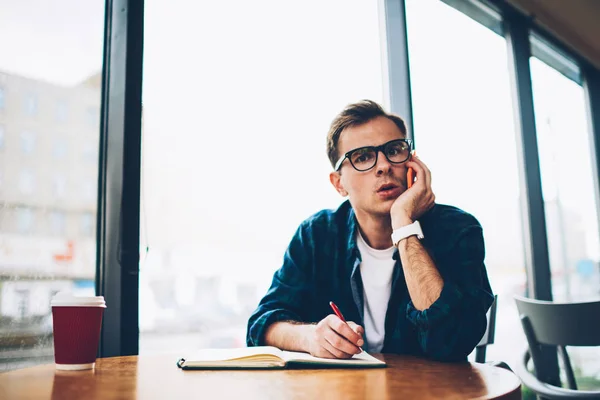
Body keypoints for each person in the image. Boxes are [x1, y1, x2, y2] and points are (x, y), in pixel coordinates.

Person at [246, 100, 494, 361]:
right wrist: (311, 337)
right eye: (363, 157)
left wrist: (403, 224)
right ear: (339, 184)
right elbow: (261, 326)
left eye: (394, 150)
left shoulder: (457, 230)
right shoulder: (316, 235)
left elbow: (452, 342)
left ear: (413, 163)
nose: (384, 166)